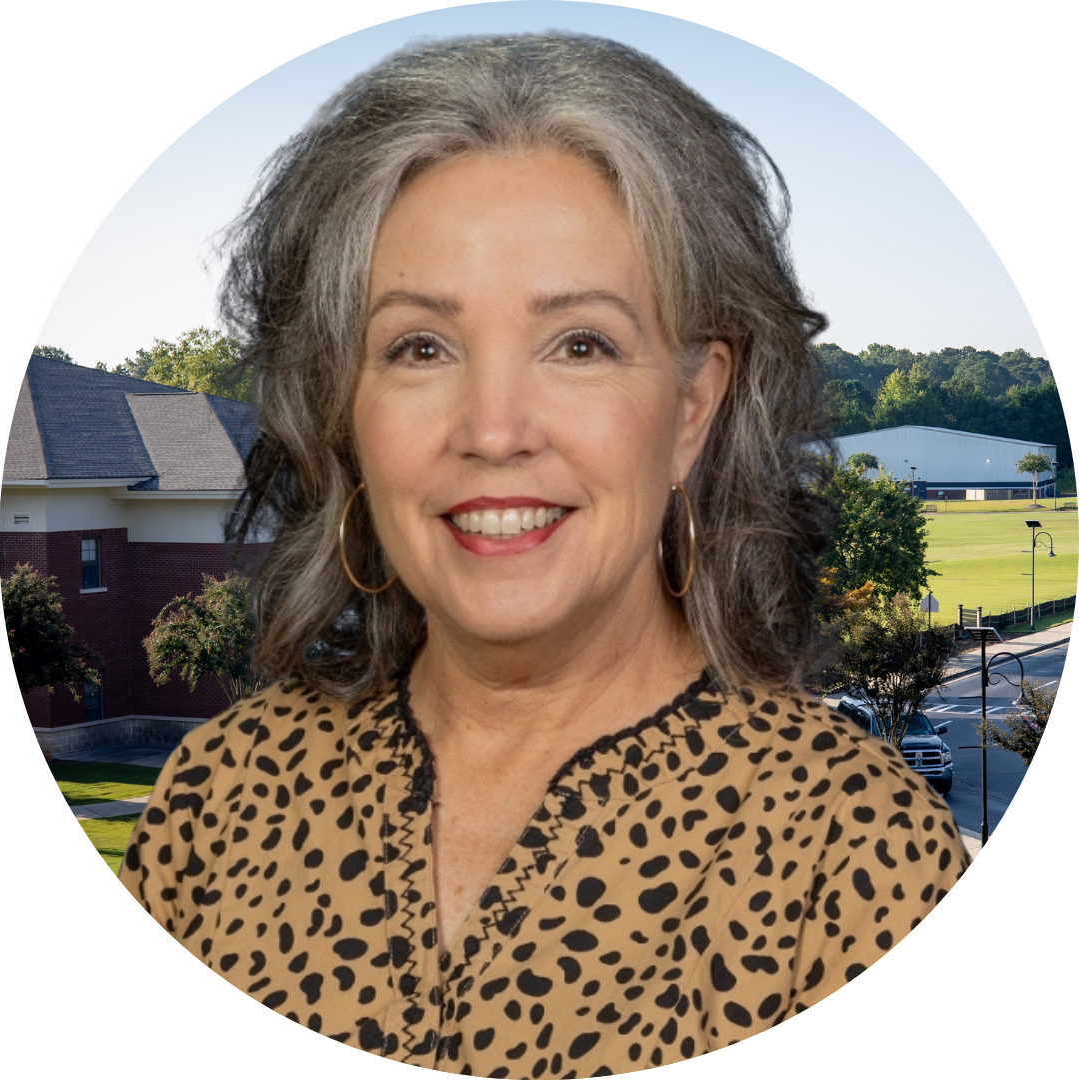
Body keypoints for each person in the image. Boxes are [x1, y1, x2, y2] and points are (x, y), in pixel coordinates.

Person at [119, 34, 969, 1068]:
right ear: (348, 408)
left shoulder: (855, 856)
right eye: (419, 347)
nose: (493, 428)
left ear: (692, 408)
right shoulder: (221, 796)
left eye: (581, 345)